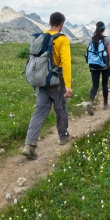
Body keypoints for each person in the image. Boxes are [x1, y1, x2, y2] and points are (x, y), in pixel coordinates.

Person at [22, 12, 72, 160]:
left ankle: (29, 145)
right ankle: (63, 136)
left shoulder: (40, 36)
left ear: (50, 22)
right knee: (60, 108)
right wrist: (68, 85)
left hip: (42, 81)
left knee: (39, 112)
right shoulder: (62, 39)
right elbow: (66, 62)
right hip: (56, 81)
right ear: (61, 24)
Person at [86, 21, 110, 115]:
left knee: (95, 85)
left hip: (93, 67)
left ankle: (91, 102)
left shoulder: (91, 39)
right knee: (104, 84)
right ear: (104, 29)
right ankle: (105, 104)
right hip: (104, 67)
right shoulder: (106, 40)